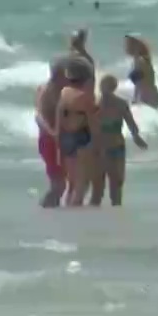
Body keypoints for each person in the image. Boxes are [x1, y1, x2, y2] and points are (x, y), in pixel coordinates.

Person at [90, 75, 148, 207]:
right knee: (99, 186)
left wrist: (137, 137)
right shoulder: (94, 104)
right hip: (100, 148)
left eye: (107, 87)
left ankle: (112, 212)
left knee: (115, 183)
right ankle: (94, 216)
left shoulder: (117, 104)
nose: (105, 90)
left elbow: (131, 123)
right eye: (104, 87)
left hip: (111, 146)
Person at [56, 57, 100, 207]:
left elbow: (59, 115)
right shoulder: (85, 97)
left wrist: (58, 136)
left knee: (72, 182)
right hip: (81, 137)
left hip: (66, 137)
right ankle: (75, 212)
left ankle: (68, 206)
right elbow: (92, 121)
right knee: (82, 183)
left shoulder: (65, 92)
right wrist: (97, 142)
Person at [35, 58, 70, 208]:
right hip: (48, 140)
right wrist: (52, 132)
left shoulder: (67, 91)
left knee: (62, 182)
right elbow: (39, 116)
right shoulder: (46, 90)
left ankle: (51, 212)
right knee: (59, 183)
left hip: (63, 140)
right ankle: (46, 209)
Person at [125, 35, 158, 109]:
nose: (125, 47)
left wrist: (135, 99)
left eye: (128, 44)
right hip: (148, 96)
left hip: (148, 97)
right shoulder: (141, 60)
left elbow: (139, 83)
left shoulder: (140, 61)